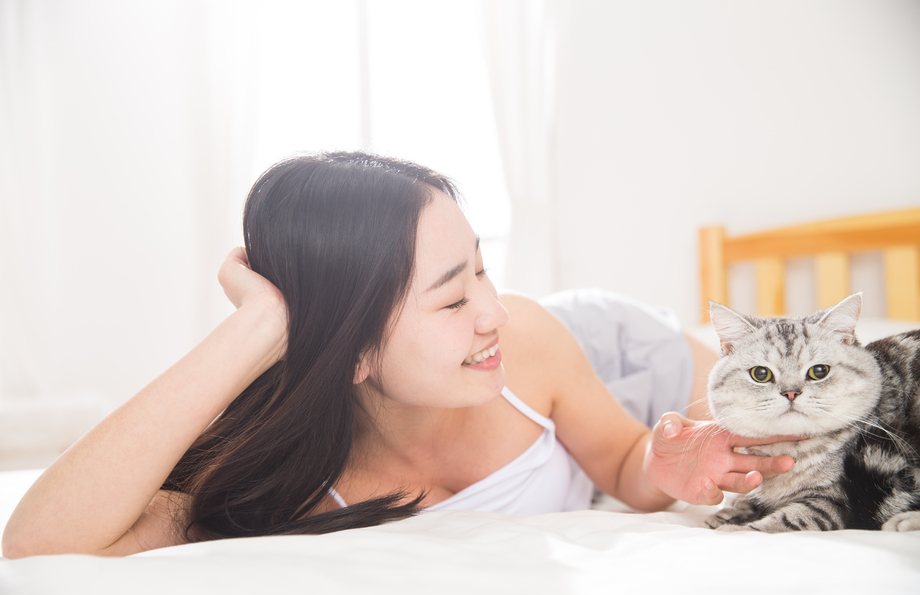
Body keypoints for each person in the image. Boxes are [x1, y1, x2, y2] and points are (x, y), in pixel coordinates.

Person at [1, 152, 795, 558]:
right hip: (465, 376)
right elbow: (35, 543)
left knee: (795, 405)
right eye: (450, 299)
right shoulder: (291, 484)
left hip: (610, 353)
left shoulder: (521, 332)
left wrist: (663, 465)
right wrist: (255, 326)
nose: (490, 307)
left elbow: (620, 456)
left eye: (480, 268)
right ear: (349, 354)